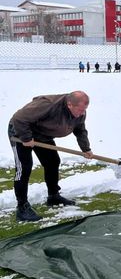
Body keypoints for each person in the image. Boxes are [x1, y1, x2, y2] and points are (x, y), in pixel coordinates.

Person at [8, 91, 94, 222]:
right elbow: (19, 118)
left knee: (53, 162)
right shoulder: (48, 105)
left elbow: (80, 130)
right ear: (69, 104)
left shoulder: (80, 112)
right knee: (24, 167)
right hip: (20, 132)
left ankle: (53, 196)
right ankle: (22, 207)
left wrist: (86, 148)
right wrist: (26, 138)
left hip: (42, 135)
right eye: (81, 110)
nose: (82, 113)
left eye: (84, 110)